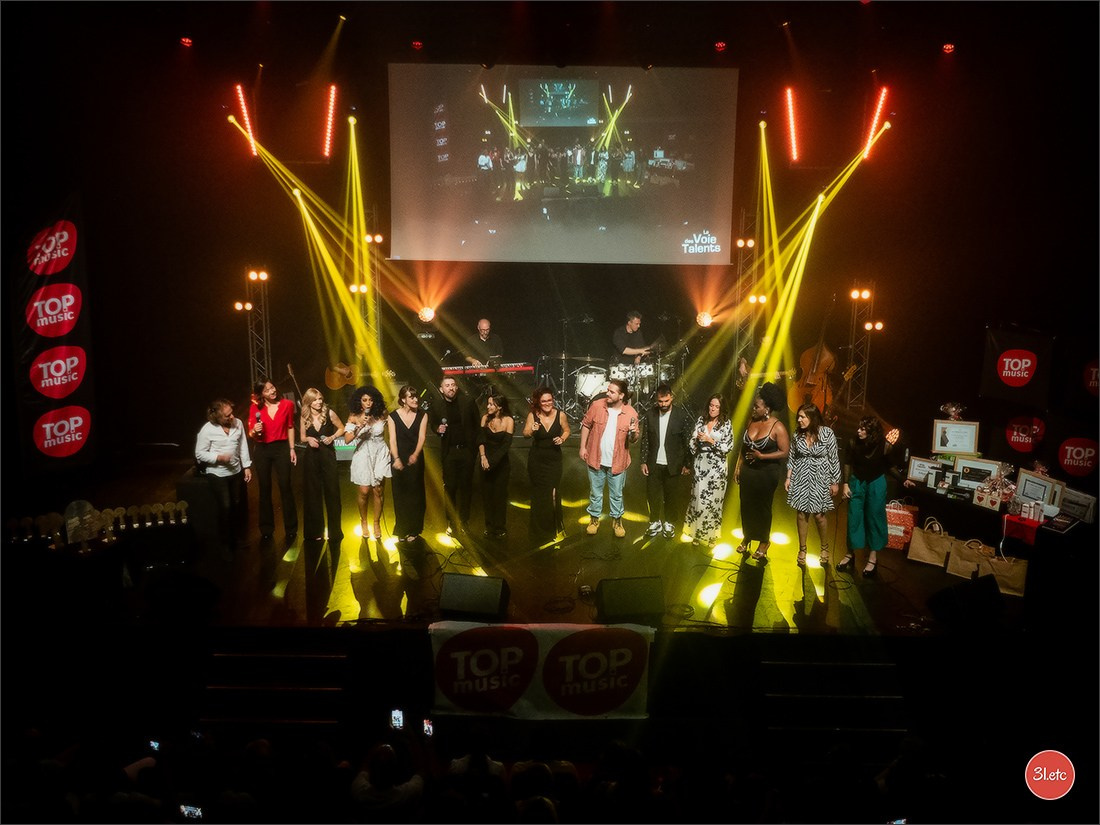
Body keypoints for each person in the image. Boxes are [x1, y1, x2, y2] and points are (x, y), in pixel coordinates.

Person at [837, 416, 915, 577]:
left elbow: (889, 465)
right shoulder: (853, 442)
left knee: (875, 517)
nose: (859, 431)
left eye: (863, 429)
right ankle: (849, 554)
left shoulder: (884, 445)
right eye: (859, 427)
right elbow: (847, 462)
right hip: (858, 481)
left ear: (872, 432)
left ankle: (873, 557)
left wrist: (903, 480)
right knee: (854, 517)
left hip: (876, 482)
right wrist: (845, 484)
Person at [732, 382, 790, 558]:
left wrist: (762, 456)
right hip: (749, 471)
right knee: (746, 505)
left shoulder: (777, 426)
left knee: (762, 507)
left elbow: (785, 451)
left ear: (767, 408)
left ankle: (764, 541)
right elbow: (744, 447)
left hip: (767, 473)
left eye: (757, 406)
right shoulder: (752, 421)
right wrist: (738, 467)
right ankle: (747, 537)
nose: (754, 408)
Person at [578, 377, 639, 538]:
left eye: (612, 391)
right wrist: (582, 447)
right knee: (595, 493)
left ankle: (617, 522)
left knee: (616, 494)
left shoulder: (631, 413)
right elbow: (586, 425)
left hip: (617, 462)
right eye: (608, 389)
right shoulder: (597, 406)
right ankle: (594, 520)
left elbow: (633, 439)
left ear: (621, 396)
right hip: (595, 459)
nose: (607, 393)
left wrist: (633, 432)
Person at [785, 403, 841, 565]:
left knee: (819, 514)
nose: (799, 420)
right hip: (801, 476)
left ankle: (824, 547)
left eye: (802, 417)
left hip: (820, 477)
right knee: (802, 513)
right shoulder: (797, 435)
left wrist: (834, 481)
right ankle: (802, 549)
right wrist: (789, 477)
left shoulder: (827, 433)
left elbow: (834, 458)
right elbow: (792, 457)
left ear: (812, 417)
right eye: (798, 417)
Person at [195, 398, 252, 557]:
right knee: (225, 507)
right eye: (227, 415)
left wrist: (246, 466)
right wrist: (218, 457)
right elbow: (199, 453)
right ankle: (225, 544)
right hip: (217, 474)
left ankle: (235, 539)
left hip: (235, 471)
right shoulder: (208, 430)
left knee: (236, 505)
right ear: (217, 418)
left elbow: (242, 445)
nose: (232, 417)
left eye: (231, 413)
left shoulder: (238, 423)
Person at [639, 383, 692, 539]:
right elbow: (645, 440)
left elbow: (687, 441)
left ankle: (669, 523)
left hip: (673, 464)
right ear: (656, 399)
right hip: (653, 463)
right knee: (652, 495)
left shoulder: (681, 416)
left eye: (666, 401)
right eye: (660, 401)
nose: (662, 404)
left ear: (672, 398)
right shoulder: (650, 415)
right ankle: (654, 522)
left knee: (671, 496)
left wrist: (687, 464)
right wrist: (643, 461)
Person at [248, 379, 298, 541]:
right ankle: (266, 528)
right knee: (264, 488)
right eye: (268, 389)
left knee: (285, 486)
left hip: (281, 448)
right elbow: (251, 433)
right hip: (262, 449)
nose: (272, 391)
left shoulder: (287, 405)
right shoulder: (255, 408)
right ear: (261, 393)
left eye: (273, 387)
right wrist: (254, 431)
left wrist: (292, 449)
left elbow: (290, 427)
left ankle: (291, 528)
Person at [684, 394, 735, 547]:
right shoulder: (701, 420)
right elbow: (691, 444)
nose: (713, 409)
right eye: (711, 405)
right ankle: (697, 533)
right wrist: (697, 440)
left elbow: (728, 447)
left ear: (721, 408)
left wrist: (710, 440)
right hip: (701, 465)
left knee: (714, 502)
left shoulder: (726, 424)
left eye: (716, 406)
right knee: (698, 499)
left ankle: (712, 535)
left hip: (717, 468)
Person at [523, 386, 571, 549]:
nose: (547, 403)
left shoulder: (560, 415)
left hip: (554, 460)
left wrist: (562, 438)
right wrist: (532, 430)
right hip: (537, 460)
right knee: (539, 495)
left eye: (550, 400)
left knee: (553, 493)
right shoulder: (533, 416)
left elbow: (567, 430)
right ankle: (539, 532)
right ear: (538, 402)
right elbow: (525, 433)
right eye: (544, 401)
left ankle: (556, 529)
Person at [433, 375, 479, 535]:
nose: (451, 387)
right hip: (449, 452)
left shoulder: (468, 402)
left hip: (466, 451)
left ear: (456, 387)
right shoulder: (437, 404)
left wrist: (475, 451)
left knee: (466, 488)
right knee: (450, 488)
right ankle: (451, 522)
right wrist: (437, 429)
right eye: (447, 385)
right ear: (441, 389)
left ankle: (464, 522)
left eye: (453, 385)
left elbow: (477, 425)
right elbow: (433, 423)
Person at [299, 387, 345, 542]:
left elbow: (342, 428)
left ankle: (335, 532)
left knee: (332, 492)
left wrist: (332, 437)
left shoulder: (329, 413)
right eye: (315, 399)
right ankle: (315, 532)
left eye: (320, 399)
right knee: (313, 494)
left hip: (327, 455)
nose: (319, 402)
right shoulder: (304, 416)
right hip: (311, 456)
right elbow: (302, 437)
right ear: (309, 402)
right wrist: (309, 440)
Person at [345, 385, 391, 540]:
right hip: (363, 453)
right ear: (359, 402)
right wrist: (360, 426)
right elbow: (347, 440)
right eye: (365, 400)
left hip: (380, 452)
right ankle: (364, 521)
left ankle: (376, 522)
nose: (368, 403)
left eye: (371, 400)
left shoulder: (382, 414)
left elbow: (391, 433)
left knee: (378, 490)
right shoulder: (354, 416)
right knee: (364, 491)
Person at [387, 384, 428, 543]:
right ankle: (402, 529)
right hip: (399, 457)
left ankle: (414, 529)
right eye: (412, 397)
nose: (416, 399)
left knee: (415, 494)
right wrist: (396, 458)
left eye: (416, 396)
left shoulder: (422, 415)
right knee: (400, 494)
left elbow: (422, 437)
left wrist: (415, 454)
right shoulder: (393, 416)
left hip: (415, 457)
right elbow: (392, 440)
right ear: (403, 399)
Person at [477, 393, 514, 538]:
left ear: (499, 406)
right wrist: (483, 457)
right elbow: (480, 439)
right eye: (488, 403)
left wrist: (491, 462)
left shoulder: (508, 420)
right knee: (487, 496)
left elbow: (505, 445)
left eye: (491, 404)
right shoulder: (485, 418)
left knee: (499, 496)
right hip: (484, 460)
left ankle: (500, 527)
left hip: (500, 463)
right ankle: (489, 526)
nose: (488, 406)